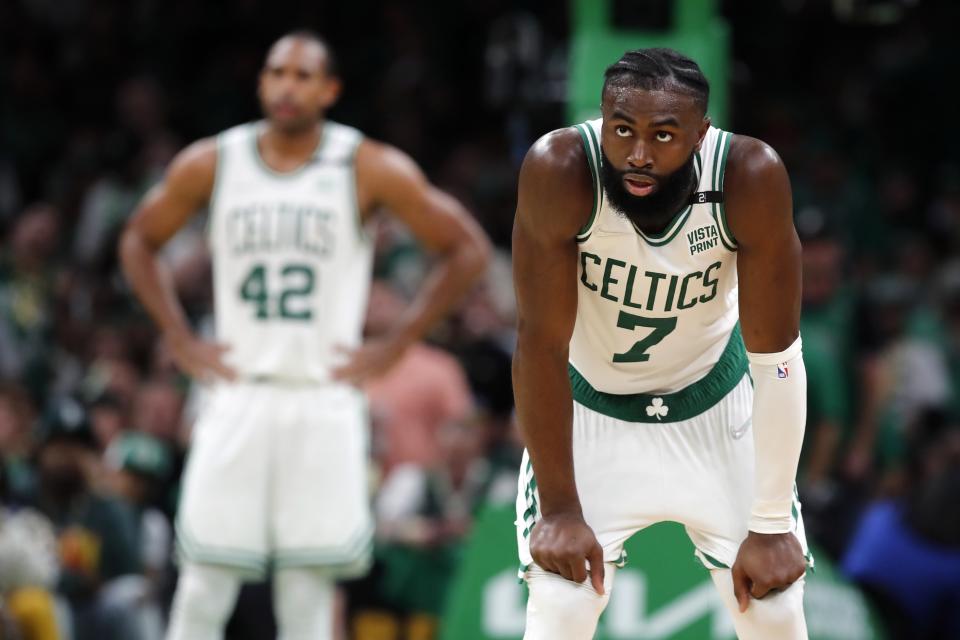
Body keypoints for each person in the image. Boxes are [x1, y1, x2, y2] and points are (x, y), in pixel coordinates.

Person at [119, 30, 489, 640]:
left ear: (329, 89)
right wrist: (180, 336)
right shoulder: (216, 160)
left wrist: (396, 342)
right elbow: (138, 238)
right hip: (239, 389)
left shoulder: (364, 164)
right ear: (262, 82)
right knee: (203, 584)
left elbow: (466, 249)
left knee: (307, 597)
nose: (287, 86)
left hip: (321, 394)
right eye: (277, 72)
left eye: (302, 75)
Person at [512, 48, 810, 639]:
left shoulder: (748, 175)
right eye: (622, 130)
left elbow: (777, 359)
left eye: (664, 134)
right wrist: (563, 511)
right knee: (561, 609)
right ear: (601, 119)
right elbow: (540, 345)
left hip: (717, 414)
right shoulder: (559, 168)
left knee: (775, 614)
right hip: (592, 414)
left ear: (701, 134)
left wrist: (772, 521)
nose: (640, 154)